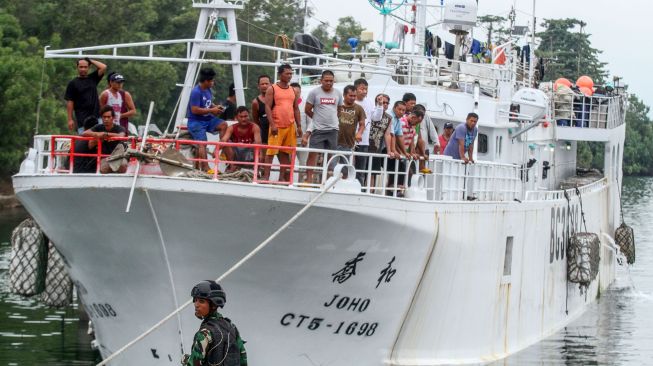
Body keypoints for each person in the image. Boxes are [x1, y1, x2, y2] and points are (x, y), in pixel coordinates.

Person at [182, 280, 247, 366]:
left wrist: (186, 360)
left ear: (213, 305)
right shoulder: (232, 328)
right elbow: (243, 359)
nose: (196, 304)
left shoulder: (205, 333)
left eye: (201, 301)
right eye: (195, 300)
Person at [263, 64, 302, 182]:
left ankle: (281, 179)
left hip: (290, 125)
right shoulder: (272, 88)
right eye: (287, 73)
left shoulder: (293, 90)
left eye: (291, 73)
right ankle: (266, 178)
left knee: (286, 153)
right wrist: (273, 124)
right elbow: (267, 107)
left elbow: (296, 108)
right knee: (270, 153)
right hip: (277, 125)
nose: (290, 76)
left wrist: (299, 126)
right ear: (280, 74)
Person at [304, 70, 342, 183]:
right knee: (312, 155)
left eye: (331, 81)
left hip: (333, 130)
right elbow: (307, 109)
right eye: (326, 81)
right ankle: (309, 180)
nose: (329, 83)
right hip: (318, 130)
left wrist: (333, 120)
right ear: (321, 80)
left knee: (331, 156)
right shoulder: (314, 92)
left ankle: (328, 181)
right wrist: (317, 119)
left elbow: (339, 110)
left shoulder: (338, 93)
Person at [186, 67, 228, 172]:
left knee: (223, 125)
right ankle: (206, 168)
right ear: (206, 81)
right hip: (196, 122)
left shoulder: (208, 90)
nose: (213, 83)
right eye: (212, 81)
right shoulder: (196, 92)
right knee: (202, 143)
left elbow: (208, 103)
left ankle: (221, 151)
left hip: (207, 119)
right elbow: (194, 110)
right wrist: (211, 110)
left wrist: (216, 107)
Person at [65, 57, 107, 133]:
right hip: (82, 119)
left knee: (100, 141)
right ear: (77, 67)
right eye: (81, 67)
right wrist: (70, 119)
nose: (83, 69)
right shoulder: (73, 83)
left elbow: (103, 67)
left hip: (97, 117)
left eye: (85, 67)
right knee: (84, 142)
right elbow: (70, 102)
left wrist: (90, 60)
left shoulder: (93, 78)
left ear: (89, 67)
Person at [82, 106, 127, 173]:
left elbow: (121, 136)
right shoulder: (99, 127)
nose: (106, 119)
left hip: (118, 157)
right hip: (104, 158)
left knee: (123, 166)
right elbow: (85, 133)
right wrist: (97, 134)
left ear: (113, 118)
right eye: (104, 117)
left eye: (108, 117)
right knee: (103, 169)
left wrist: (106, 134)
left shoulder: (119, 128)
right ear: (102, 118)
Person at [220, 106, 262, 171]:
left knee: (257, 146)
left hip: (249, 154)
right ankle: (232, 166)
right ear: (236, 118)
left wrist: (260, 159)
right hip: (236, 155)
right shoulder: (231, 128)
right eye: (241, 117)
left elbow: (258, 144)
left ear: (249, 116)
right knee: (226, 143)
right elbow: (224, 139)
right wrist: (216, 149)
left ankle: (256, 169)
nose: (243, 119)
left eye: (245, 116)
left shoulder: (255, 127)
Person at [367, 93, 394, 188]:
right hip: (365, 146)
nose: (385, 104)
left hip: (376, 148)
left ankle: (371, 191)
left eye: (387, 103)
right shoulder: (370, 112)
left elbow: (387, 134)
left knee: (373, 173)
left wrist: (389, 150)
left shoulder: (389, 118)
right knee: (362, 171)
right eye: (383, 102)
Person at [353, 78, 374, 185]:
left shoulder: (369, 101)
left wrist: (379, 106)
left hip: (364, 141)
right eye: (362, 89)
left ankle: (360, 187)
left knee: (361, 169)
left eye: (366, 89)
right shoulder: (351, 101)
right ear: (355, 89)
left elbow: (376, 117)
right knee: (347, 165)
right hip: (349, 140)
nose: (364, 91)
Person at [336, 85, 366, 156]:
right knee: (331, 166)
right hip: (334, 142)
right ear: (344, 95)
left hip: (349, 143)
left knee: (346, 166)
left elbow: (362, 124)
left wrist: (359, 133)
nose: (353, 98)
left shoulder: (359, 108)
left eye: (354, 96)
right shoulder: (337, 105)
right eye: (350, 95)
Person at [251, 75, 271, 148]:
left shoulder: (276, 99)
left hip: (276, 132)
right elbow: (255, 120)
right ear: (258, 86)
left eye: (266, 83)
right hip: (264, 133)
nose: (264, 86)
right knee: (264, 158)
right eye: (262, 84)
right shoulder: (255, 102)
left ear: (270, 85)